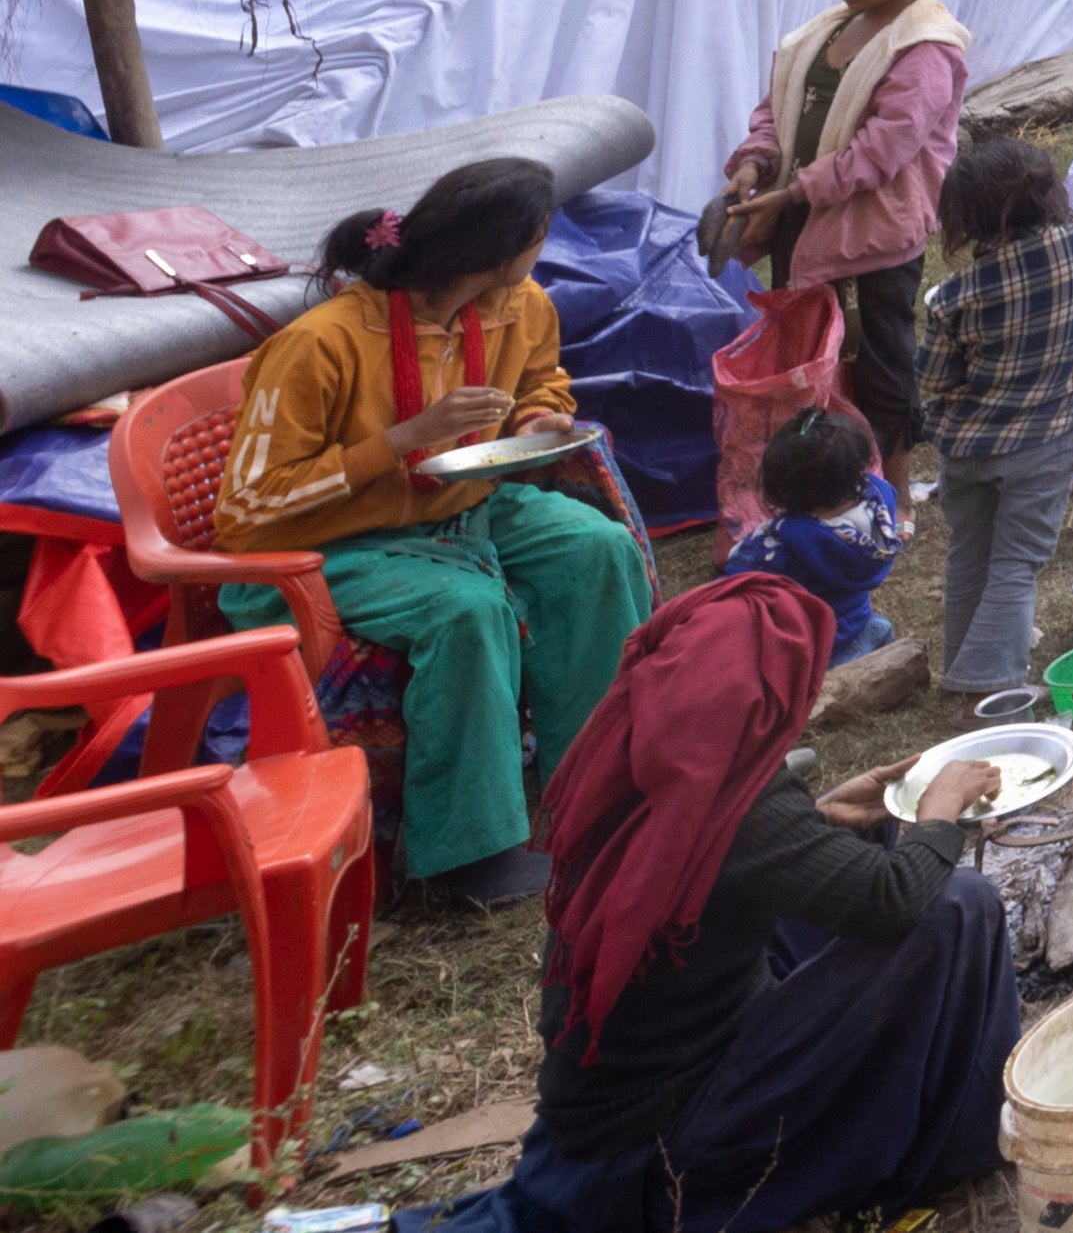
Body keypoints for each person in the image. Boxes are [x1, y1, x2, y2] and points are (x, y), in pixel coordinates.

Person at [459, 565, 1025, 1233]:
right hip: (675, 1141)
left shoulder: (636, 761)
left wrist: (823, 812)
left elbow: (728, 871)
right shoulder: (742, 804)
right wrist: (940, 814)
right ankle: (956, 1146)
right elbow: (898, 900)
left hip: (610, 1108)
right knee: (959, 905)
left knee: (875, 863)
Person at [210, 159, 651, 909]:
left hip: (460, 507)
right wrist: (402, 438)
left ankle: (600, 783)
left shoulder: (519, 305)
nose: (544, 249)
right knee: (464, 611)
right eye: (542, 235)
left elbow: (541, 380)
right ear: (504, 246)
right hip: (325, 546)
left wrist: (538, 420)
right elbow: (249, 505)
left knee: (595, 550)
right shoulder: (322, 344)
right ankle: (466, 856)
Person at [716, 0, 973, 472]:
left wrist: (792, 192)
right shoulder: (823, 34)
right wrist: (755, 164)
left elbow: (883, 150)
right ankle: (822, 479)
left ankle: (895, 485)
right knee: (811, 354)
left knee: (877, 359)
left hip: (870, 234)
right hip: (803, 226)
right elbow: (775, 111)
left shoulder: (926, 49)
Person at [912, 134, 1073, 701]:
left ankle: (963, 663)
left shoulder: (953, 295)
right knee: (1016, 562)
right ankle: (990, 686)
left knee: (969, 553)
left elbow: (930, 381)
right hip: (1045, 442)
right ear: (1049, 197)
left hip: (969, 446)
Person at [718, 409, 906, 663]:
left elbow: (735, 580)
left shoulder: (778, 544)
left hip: (812, 651)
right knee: (870, 625)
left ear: (781, 487)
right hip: (859, 623)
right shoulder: (879, 504)